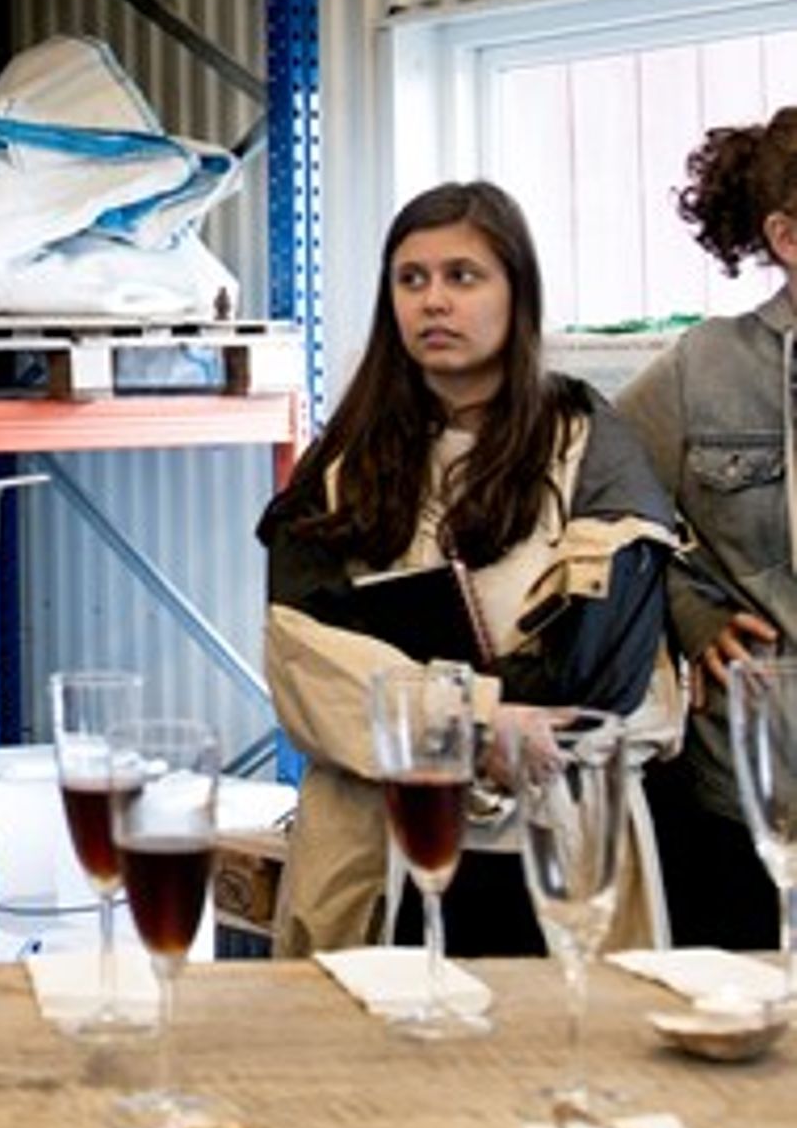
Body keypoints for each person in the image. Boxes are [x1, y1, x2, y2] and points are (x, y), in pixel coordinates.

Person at [257, 181, 679, 958]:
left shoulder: (592, 446)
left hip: (551, 846)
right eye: (411, 279)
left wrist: (422, 698)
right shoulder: (342, 463)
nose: (433, 301)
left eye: (462, 276)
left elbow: (603, 667)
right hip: (376, 852)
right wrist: (476, 720)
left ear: (516, 290)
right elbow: (300, 656)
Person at [614, 107, 797, 950]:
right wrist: (689, 615)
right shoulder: (705, 369)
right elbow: (600, 500)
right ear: (787, 237)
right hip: (753, 796)